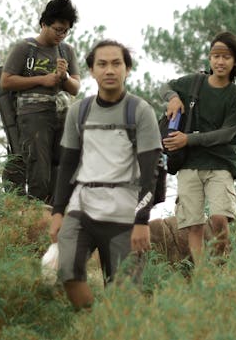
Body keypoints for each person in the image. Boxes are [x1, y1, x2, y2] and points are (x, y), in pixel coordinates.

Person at [49, 39, 161, 309]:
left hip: (125, 213)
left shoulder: (140, 111)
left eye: (116, 63)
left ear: (127, 69)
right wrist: (57, 210)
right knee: (66, 271)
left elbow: (152, 170)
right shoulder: (79, 111)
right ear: (91, 71)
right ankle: (92, 323)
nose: (109, 70)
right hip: (82, 207)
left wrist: (142, 220)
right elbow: (67, 165)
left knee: (124, 296)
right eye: (102, 64)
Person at [159, 31, 236, 265]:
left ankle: (221, 268)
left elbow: (226, 134)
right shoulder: (193, 83)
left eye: (226, 57)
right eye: (216, 55)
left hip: (221, 163)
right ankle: (203, 277)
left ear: (235, 62)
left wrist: (188, 139)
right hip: (189, 164)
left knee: (220, 218)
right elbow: (166, 86)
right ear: (210, 58)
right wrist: (172, 98)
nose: (220, 61)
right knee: (193, 224)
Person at [0, 0, 81, 205]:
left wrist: (63, 78)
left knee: (61, 166)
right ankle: (35, 212)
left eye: (66, 31)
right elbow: (6, 81)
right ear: (44, 23)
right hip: (32, 113)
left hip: (62, 114)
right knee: (39, 167)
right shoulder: (25, 48)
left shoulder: (66, 51)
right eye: (57, 29)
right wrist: (43, 79)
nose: (61, 35)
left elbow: (76, 87)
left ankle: (54, 211)